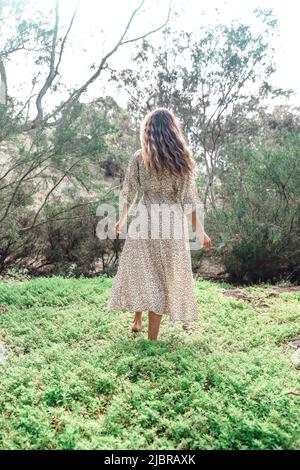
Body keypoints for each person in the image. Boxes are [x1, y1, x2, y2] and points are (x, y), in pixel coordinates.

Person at [107, 108, 212, 340]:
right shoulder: (181, 161)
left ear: (148, 131)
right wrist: (201, 233)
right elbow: (188, 202)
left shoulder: (139, 157)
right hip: (172, 223)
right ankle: (151, 338)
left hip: (144, 218)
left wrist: (122, 219)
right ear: (174, 131)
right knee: (160, 276)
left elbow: (130, 191)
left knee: (142, 270)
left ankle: (137, 319)